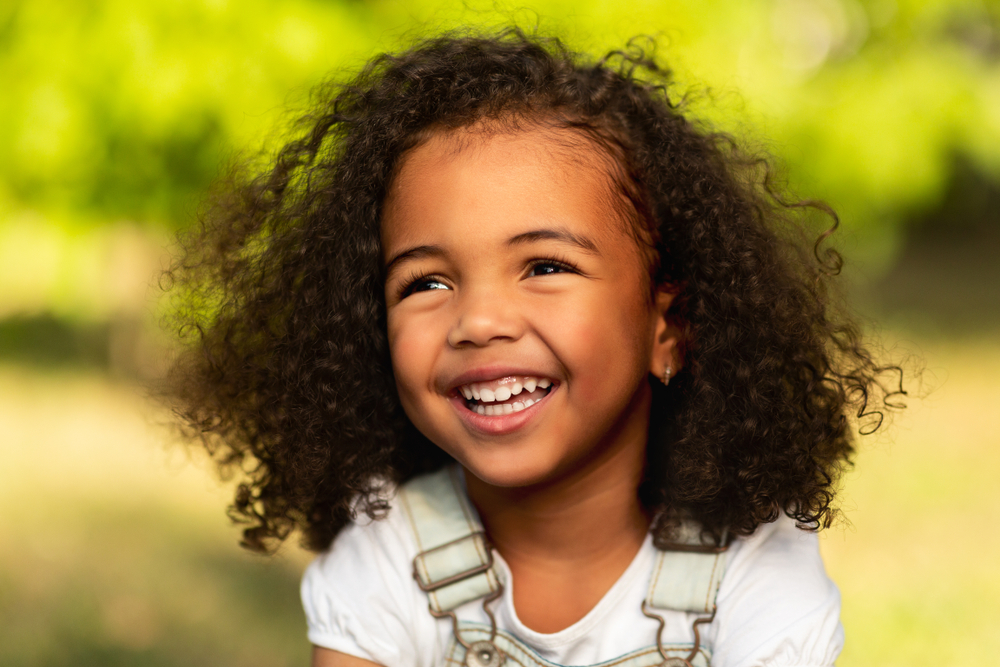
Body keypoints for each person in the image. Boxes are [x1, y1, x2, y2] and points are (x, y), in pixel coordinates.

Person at [162, 28, 903, 667]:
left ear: (667, 326)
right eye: (425, 282)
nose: (479, 320)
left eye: (545, 266)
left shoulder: (750, 568)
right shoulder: (392, 553)